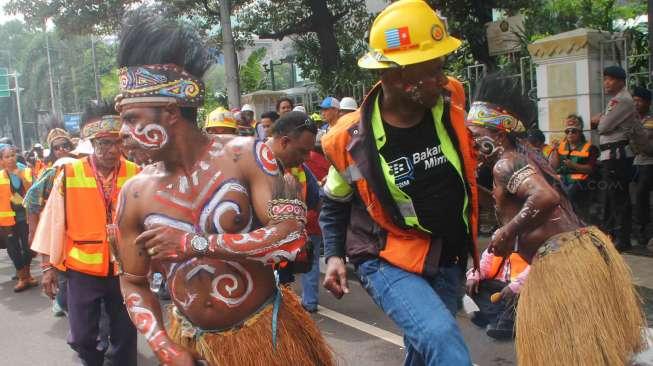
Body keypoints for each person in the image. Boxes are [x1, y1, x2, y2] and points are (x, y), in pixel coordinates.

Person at [113, 11, 333, 365]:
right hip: (192, 344)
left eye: (132, 119)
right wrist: (163, 345)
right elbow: (133, 282)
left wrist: (193, 243)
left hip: (264, 338)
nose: (123, 132)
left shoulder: (247, 155)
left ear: (170, 112)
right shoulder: (134, 194)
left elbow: (291, 237)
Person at [320, 1, 478, 364]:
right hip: (387, 257)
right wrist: (333, 256)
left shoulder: (449, 98)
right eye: (432, 69)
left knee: (425, 349)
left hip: (448, 255)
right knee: (442, 339)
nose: (442, 78)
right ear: (395, 77)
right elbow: (334, 202)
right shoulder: (348, 141)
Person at [467, 74, 644, 366]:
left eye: (475, 135)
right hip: (576, 254)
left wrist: (506, 233)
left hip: (562, 259)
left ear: (497, 134)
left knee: (563, 349)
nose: (472, 143)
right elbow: (512, 202)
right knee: (584, 349)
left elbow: (544, 198)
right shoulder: (524, 157)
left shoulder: (506, 163)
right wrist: (472, 190)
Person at [32, 102, 140, 366]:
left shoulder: (136, 173)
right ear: (92, 143)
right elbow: (53, 224)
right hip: (81, 270)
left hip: (125, 268)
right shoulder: (69, 174)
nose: (111, 150)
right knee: (82, 337)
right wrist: (47, 266)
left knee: (126, 334)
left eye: (116, 143)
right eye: (103, 143)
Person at [24, 128, 76, 316]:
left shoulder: (84, 167)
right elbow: (31, 201)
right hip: (56, 228)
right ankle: (63, 303)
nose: (62, 150)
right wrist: (33, 230)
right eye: (57, 147)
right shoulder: (49, 174)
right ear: (52, 151)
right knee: (60, 270)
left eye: (66, 146)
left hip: (81, 229)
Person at [266, 111, 320, 287]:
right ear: (284, 142)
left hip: (280, 268)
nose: (306, 158)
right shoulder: (249, 164)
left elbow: (316, 201)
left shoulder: (300, 171)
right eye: (303, 151)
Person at [590, 65, 639, 250]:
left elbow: (603, 127)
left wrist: (600, 119)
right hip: (611, 154)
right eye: (605, 79)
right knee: (612, 197)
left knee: (618, 197)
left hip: (616, 154)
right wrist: (602, 119)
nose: (606, 83)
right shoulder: (617, 100)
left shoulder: (622, 100)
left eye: (609, 79)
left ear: (620, 81)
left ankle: (622, 238)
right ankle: (614, 234)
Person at [465, 247, 529, 340]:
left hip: (522, 287)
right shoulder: (498, 239)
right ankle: (497, 319)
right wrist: (473, 277)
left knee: (518, 296)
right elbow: (484, 265)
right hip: (500, 285)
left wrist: (515, 287)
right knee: (474, 286)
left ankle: (506, 323)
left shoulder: (532, 241)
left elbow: (535, 268)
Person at [549, 115, 599, 223]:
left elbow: (590, 169)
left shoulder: (590, 148)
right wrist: (554, 151)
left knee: (571, 195)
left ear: (580, 132)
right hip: (561, 181)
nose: (570, 134)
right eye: (567, 132)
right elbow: (553, 167)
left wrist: (573, 166)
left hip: (580, 183)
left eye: (573, 131)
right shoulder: (561, 146)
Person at [0, 144, 36, 292]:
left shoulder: (26, 171)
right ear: (2, 160)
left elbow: (35, 191)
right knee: (13, 248)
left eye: (13, 155)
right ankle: (22, 277)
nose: (10, 159)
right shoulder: (0, 176)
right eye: (7, 157)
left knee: (28, 246)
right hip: (7, 219)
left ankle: (28, 274)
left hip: (25, 217)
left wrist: (22, 176)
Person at [632, 86, 653, 246]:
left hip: (648, 163)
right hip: (637, 162)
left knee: (641, 195)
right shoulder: (635, 120)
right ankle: (641, 230)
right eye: (634, 100)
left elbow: (643, 142)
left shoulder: (650, 120)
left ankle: (644, 231)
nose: (636, 103)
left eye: (639, 100)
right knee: (638, 197)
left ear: (647, 102)